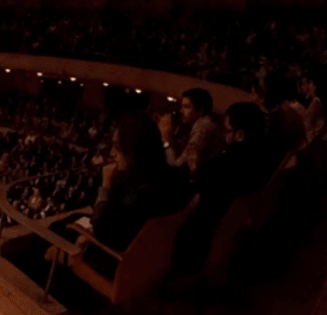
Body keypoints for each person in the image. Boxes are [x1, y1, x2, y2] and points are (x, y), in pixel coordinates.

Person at [172, 102, 284, 274]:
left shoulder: (233, 162)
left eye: (227, 130)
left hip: (205, 228)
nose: (225, 135)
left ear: (239, 134)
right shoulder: (267, 151)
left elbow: (210, 188)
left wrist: (195, 168)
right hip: (235, 218)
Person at [90, 113, 188, 252]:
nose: (112, 153)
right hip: (153, 258)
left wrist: (105, 186)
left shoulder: (138, 195)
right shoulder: (173, 177)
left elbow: (102, 232)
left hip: (122, 261)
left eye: (117, 147)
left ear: (134, 150)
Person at [158, 88, 224, 176]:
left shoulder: (203, 128)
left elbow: (177, 168)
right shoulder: (203, 124)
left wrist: (166, 140)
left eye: (186, 107)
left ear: (200, 110)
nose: (181, 111)